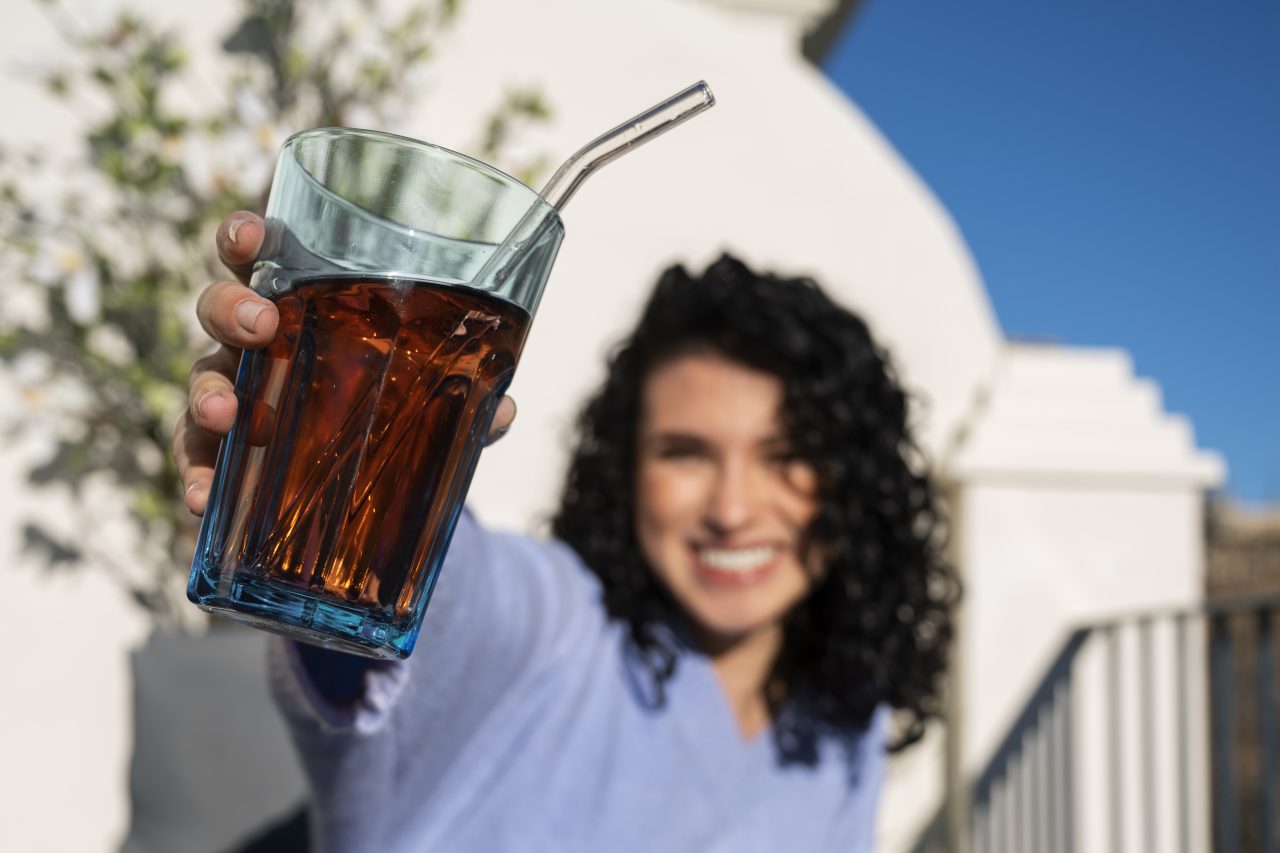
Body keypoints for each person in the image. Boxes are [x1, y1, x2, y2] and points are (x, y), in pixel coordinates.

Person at [174, 211, 958, 852]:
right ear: (625, 469)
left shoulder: (845, 719)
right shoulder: (557, 624)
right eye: (684, 452)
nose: (732, 507)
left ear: (856, 484)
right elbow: (419, 604)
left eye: (786, 457)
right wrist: (314, 443)